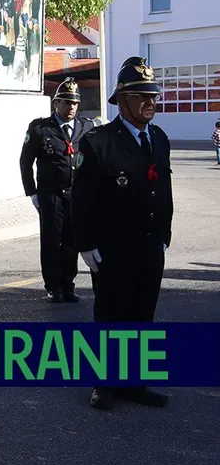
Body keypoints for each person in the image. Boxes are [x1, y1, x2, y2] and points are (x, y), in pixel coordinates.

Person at [73, 57, 173, 411]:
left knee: (142, 315)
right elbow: (81, 200)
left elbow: (164, 187)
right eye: (141, 96)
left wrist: (165, 232)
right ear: (122, 100)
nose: (150, 103)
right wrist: (85, 245)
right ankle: (105, 384)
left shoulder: (159, 138)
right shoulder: (99, 142)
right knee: (112, 317)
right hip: (113, 249)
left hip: (149, 246)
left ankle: (135, 383)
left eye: (153, 96)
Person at [18, 78, 99, 303]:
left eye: (74, 103)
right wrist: (32, 192)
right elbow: (25, 161)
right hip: (50, 194)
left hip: (75, 194)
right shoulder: (40, 128)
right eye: (66, 102)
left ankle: (68, 285)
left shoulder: (86, 127)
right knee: (52, 242)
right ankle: (53, 287)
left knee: (72, 241)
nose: (71, 107)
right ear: (56, 104)